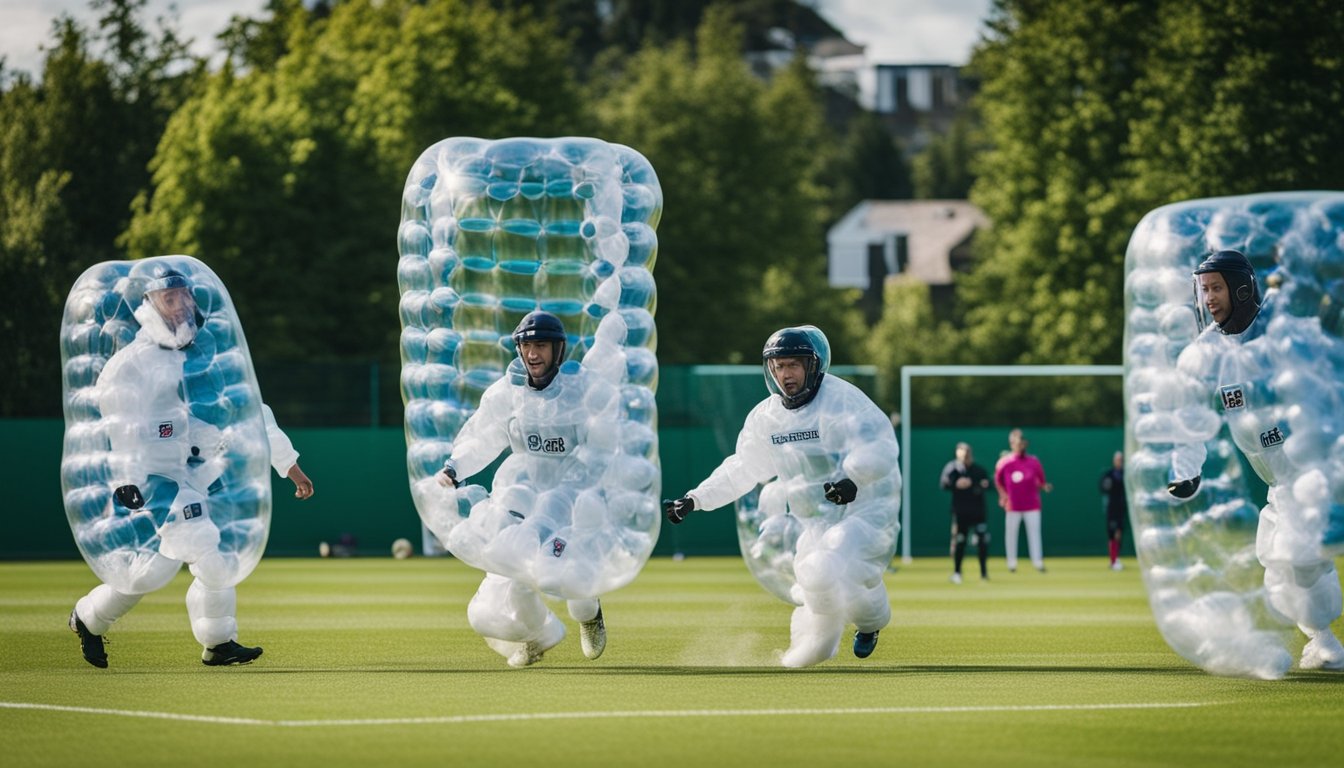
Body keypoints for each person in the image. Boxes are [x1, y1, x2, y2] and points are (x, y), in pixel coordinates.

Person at [69, 266, 313, 669]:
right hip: (155, 480)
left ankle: (91, 619)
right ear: (149, 304)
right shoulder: (132, 364)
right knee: (205, 543)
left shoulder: (206, 353)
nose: (181, 304)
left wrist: (289, 466)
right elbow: (119, 426)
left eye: (184, 295)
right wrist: (126, 479)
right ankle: (217, 642)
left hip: (198, 474)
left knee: (148, 573)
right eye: (170, 297)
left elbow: (251, 412)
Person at [663, 326, 901, 668]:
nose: (785, 374)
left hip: (862, 511)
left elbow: (878, 445)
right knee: (816, 579)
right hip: (813, 520)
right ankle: (826, 639)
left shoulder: (843, 401)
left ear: (812, 366)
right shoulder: (767, 417)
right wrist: (695, 499)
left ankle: (864, 627)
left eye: (792, 365)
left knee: (827, 569)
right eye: (778, 366)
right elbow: (743, 467)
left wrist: (854, 479)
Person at [1168, 248, 1344, 671]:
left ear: (1242, 288)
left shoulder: (1284, 339)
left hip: (1319, 470)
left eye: (1217, 287)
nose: (1209, 298)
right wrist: (1185, 468)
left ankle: (1322, 639)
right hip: (1281, 483)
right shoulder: (1203, 355)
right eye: (1203, 289)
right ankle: (1321, 640)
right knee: (1284, 561)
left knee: (1299, 555)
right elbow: (1190, 416)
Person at [435, 310, 625, 668]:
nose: (533, 354)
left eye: (541, 345)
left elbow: (607, 446)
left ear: (558, 350)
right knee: (503, 573)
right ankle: (537, 635)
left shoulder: (584, 390)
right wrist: (454, 468)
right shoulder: (507, 391)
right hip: (521, 486)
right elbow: (483, 435)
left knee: (563, 578)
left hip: (573, 490)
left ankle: (589, 613)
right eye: (526, 346)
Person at [994, 428, 1052, 573]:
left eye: (1022, 442)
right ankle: (1011, 563)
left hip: (1032, 504)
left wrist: (1043, 486)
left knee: (1034, 533)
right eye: (1017, 442)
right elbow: (998, 481)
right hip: (1012, 505)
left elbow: (1041, 481)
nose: (1020, 445)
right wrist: (1003, 496)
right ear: (1011, 443)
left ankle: (1037, 562)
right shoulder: (1005, 462)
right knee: (1011, 534)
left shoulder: (1033, 461)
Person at [941, 442, 990, 583]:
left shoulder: (978, 470)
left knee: (982, 541)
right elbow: (943, 484)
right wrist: (956, 484)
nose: (965, 456)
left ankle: (984, 573)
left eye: (967, 453)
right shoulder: (952, 469)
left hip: (977, 511)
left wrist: (974, 484)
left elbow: (988, 484)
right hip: (960, 511)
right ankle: (957, 572)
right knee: (960, 541)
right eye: (961, 453)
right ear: (957, 454)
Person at [1099, 450, 1126, 571]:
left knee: (1119, 533)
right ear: (1113, 461)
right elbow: (1102, 487)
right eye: (1117, 459)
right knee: (1112, 534)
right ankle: (1113, 560)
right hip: (1112, 507)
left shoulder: (1126, 474)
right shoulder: (1108, 474)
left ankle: (1116, 557)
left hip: (1121, 507)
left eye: (1121, 459)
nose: (1119, 462)